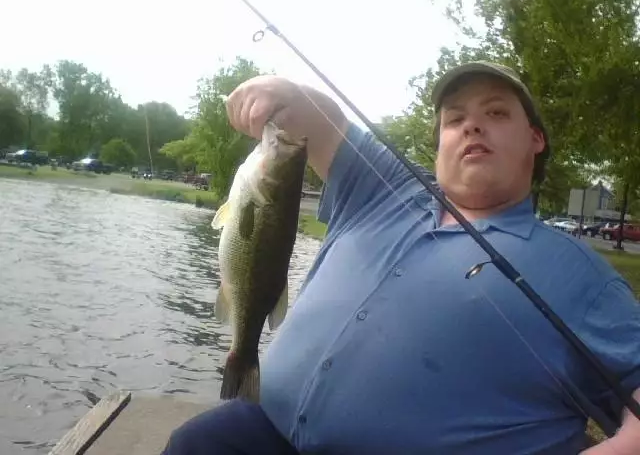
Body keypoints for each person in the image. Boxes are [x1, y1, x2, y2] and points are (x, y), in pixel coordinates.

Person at [161, 61, 640, 454]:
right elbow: (312, 116)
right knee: (193, 444)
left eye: (496, 113)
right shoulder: (380, 188)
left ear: (536, 140)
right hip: (265, 431)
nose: (471, 124)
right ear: (438, 149)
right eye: (454, 119)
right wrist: (274, 89)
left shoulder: (579, 272)